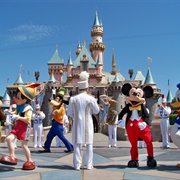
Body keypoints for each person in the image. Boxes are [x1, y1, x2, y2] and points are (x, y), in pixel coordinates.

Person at [0, 83, 40, 170]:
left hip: (25, 128)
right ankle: (12, 156)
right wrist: (10, 113)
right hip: (18, 127)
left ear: (25, 99)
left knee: (24, 145)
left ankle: (30, 161)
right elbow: (17, 113)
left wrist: (18, 117)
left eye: (18, 97)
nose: (15, 99)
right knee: (9, 139)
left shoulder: (28, 108)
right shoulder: (19, 106)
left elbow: (28, 120)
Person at [67, 71, 100, 171]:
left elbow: (69, 113)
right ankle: (89, 165)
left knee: (77, 144)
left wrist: (75, 116)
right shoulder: (91, 98)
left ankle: (77, 165)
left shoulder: (73, 99)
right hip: (88, 123)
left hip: (76, 123)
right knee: (89, 144)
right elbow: (96, 111)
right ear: (87, 88)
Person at [39, 87, 73, 153]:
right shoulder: (57, 106)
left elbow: (59, 112)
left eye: (57, 99)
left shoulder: (62, 108)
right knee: (49, 136)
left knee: (61, 137)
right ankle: (47, 147)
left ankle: (70, 147)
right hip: (54, 125)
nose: (56, 100)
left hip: (58, 125)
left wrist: (55, 111)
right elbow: (54, 103)